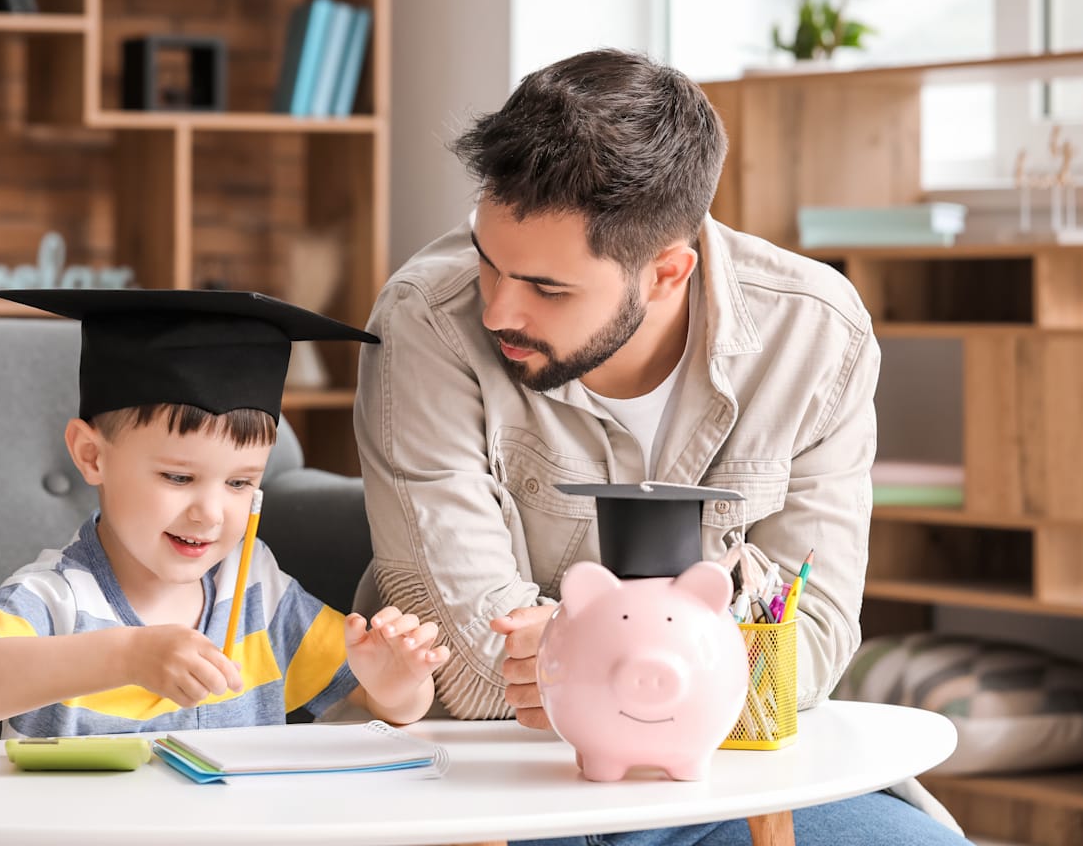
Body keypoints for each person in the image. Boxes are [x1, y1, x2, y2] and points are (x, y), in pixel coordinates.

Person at [354, 49, 969, 843]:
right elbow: (468, 671)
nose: (499, 307)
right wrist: (680, 661)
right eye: (487, 258)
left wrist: (585, 658)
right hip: (495, 777)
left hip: (727, 771)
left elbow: (809, 647)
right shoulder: (426, 319)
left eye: (548, 287)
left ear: (668, 274)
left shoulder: (818, 334)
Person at [0, 288, 447, 736]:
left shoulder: (257, 588)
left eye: (240, 483)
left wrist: (397, 684)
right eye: (178, 478)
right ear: (92, 456)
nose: (210, 514)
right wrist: (127, 655)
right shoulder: (55, 598)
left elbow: (382, 705)